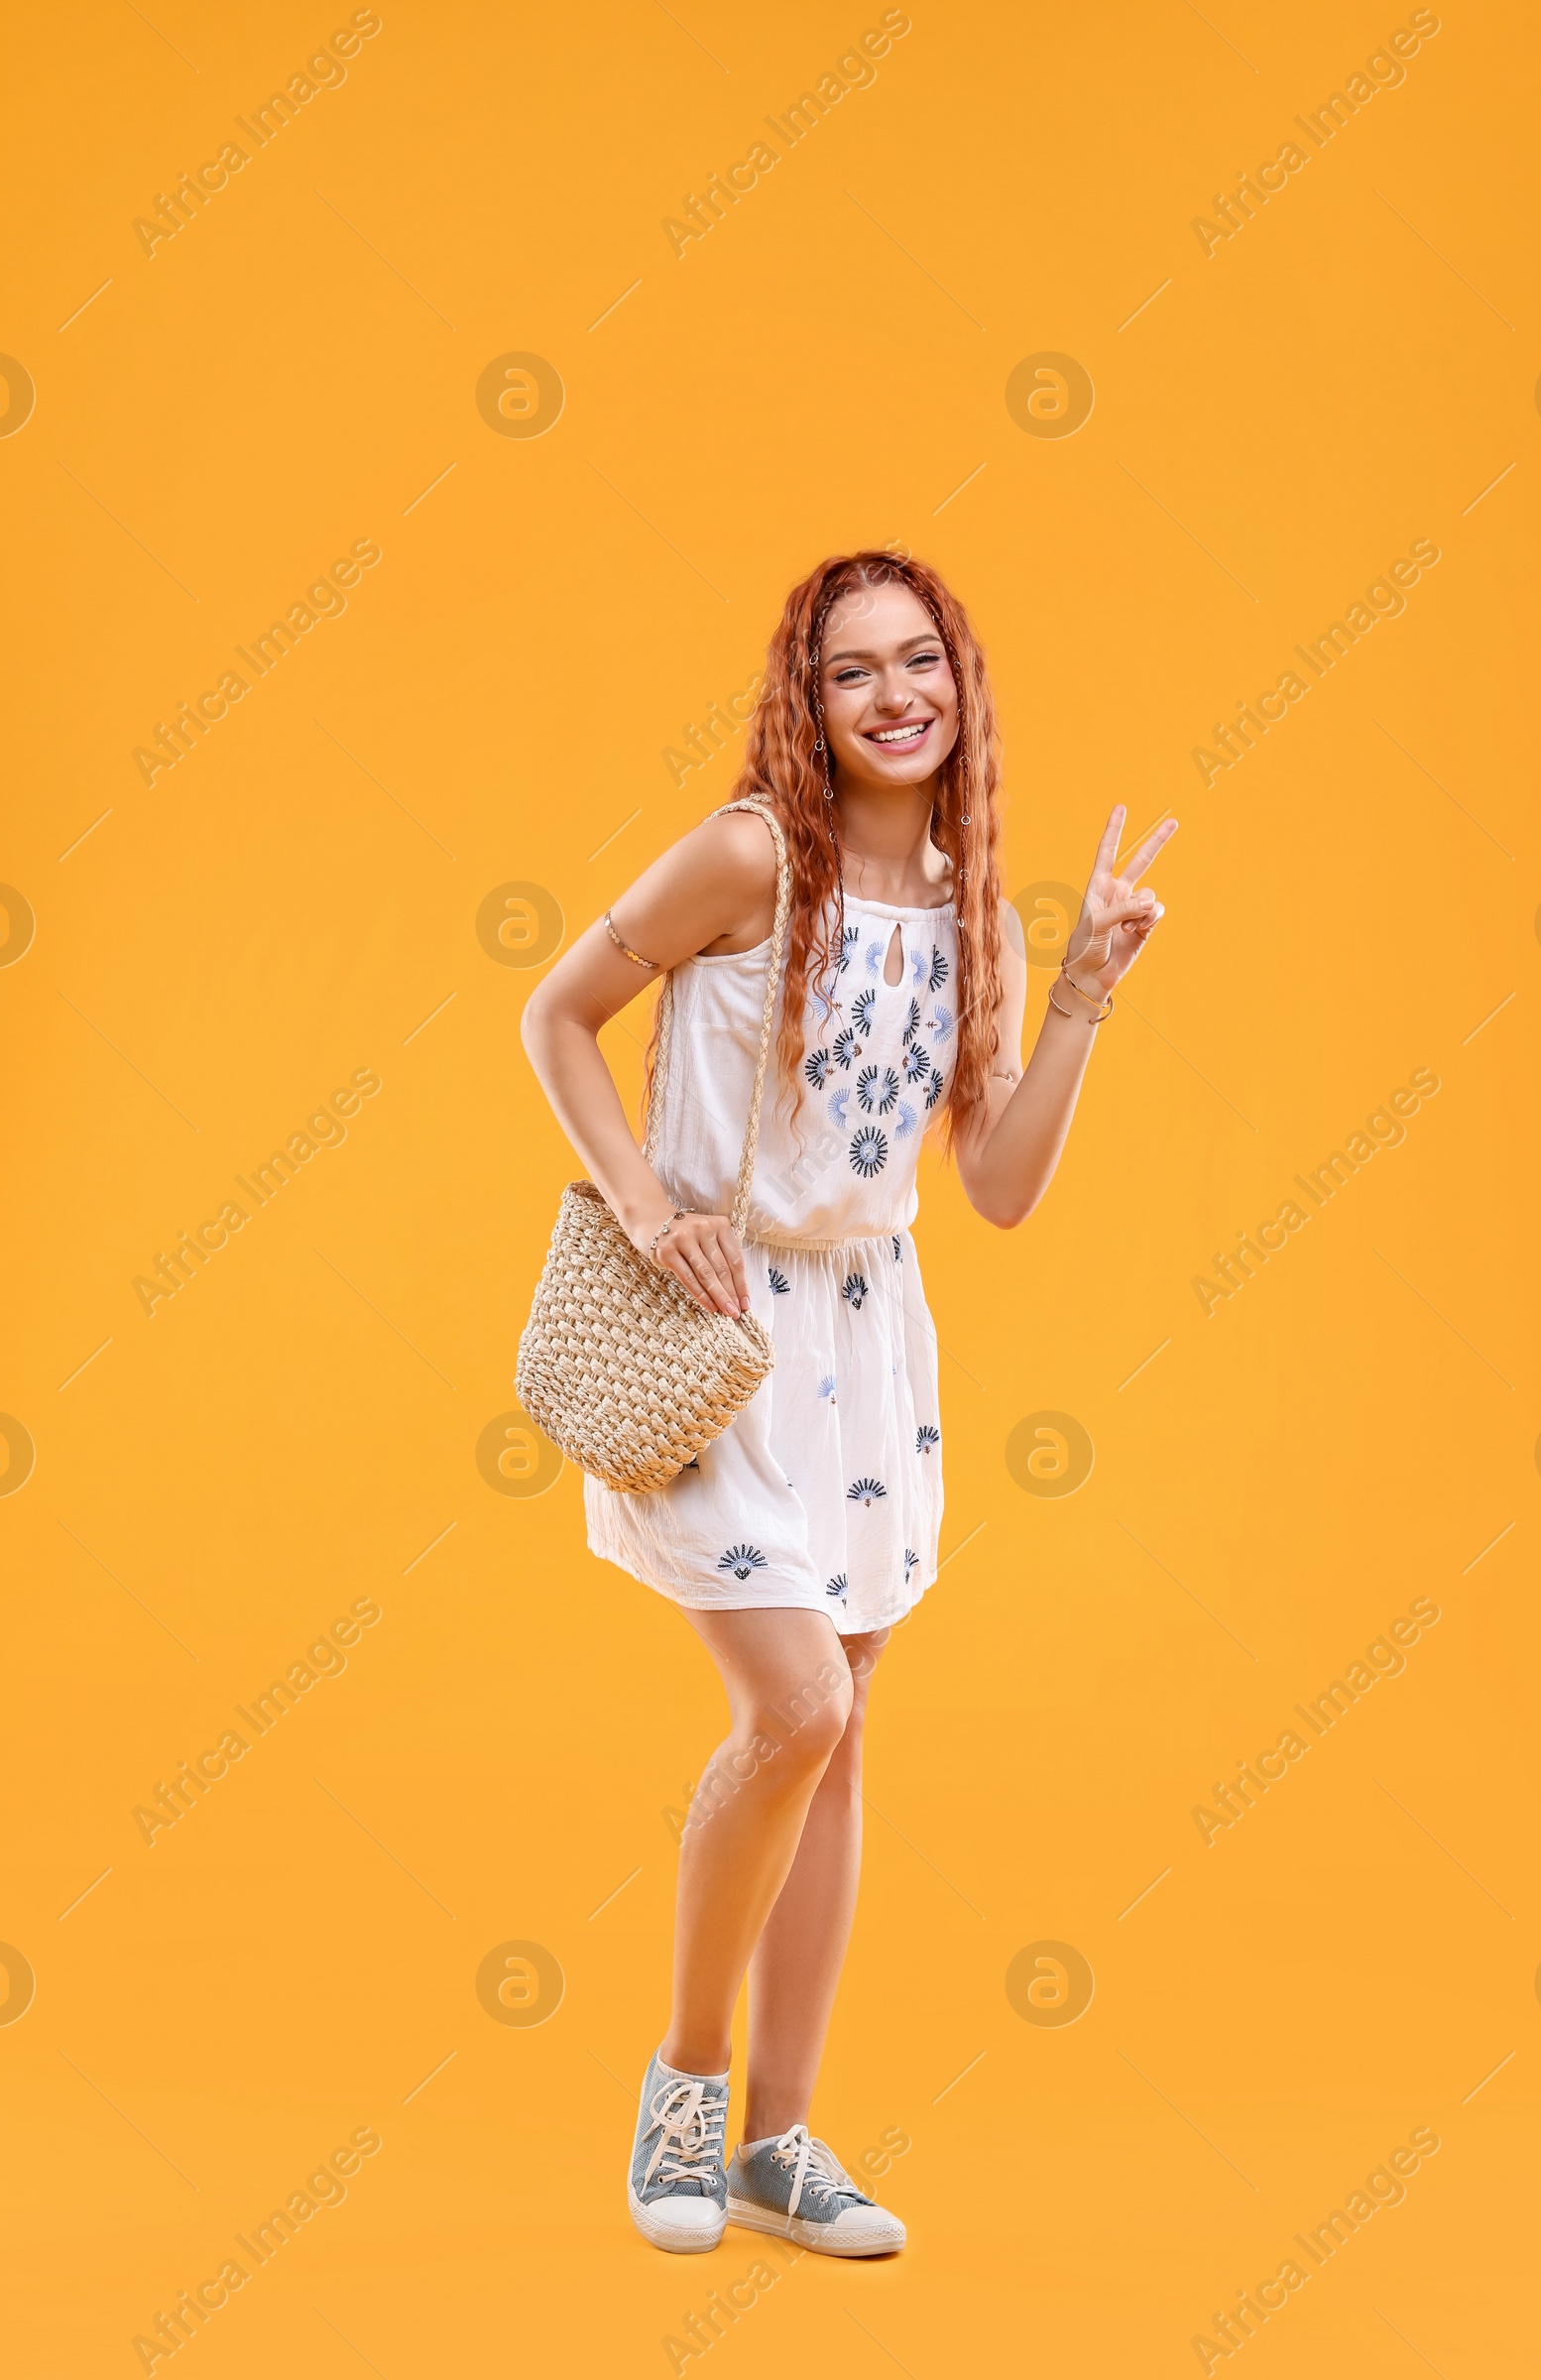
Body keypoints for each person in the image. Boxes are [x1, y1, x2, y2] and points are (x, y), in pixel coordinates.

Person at [521, 550, 1176, 2254]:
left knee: (845, 1732)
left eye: (920, 664)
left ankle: (780, 2144)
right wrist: (651, 1210)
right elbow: (559, 1014)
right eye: (850, 673)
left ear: (960, 682)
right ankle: (685, 2081)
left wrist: (1085, 994)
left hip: (870, 1347)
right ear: (803, 704)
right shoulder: (751, 856)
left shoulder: (970, 912)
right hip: (721, 1332)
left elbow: (1001, 1188)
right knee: (797, 1712)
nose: (895, 699)